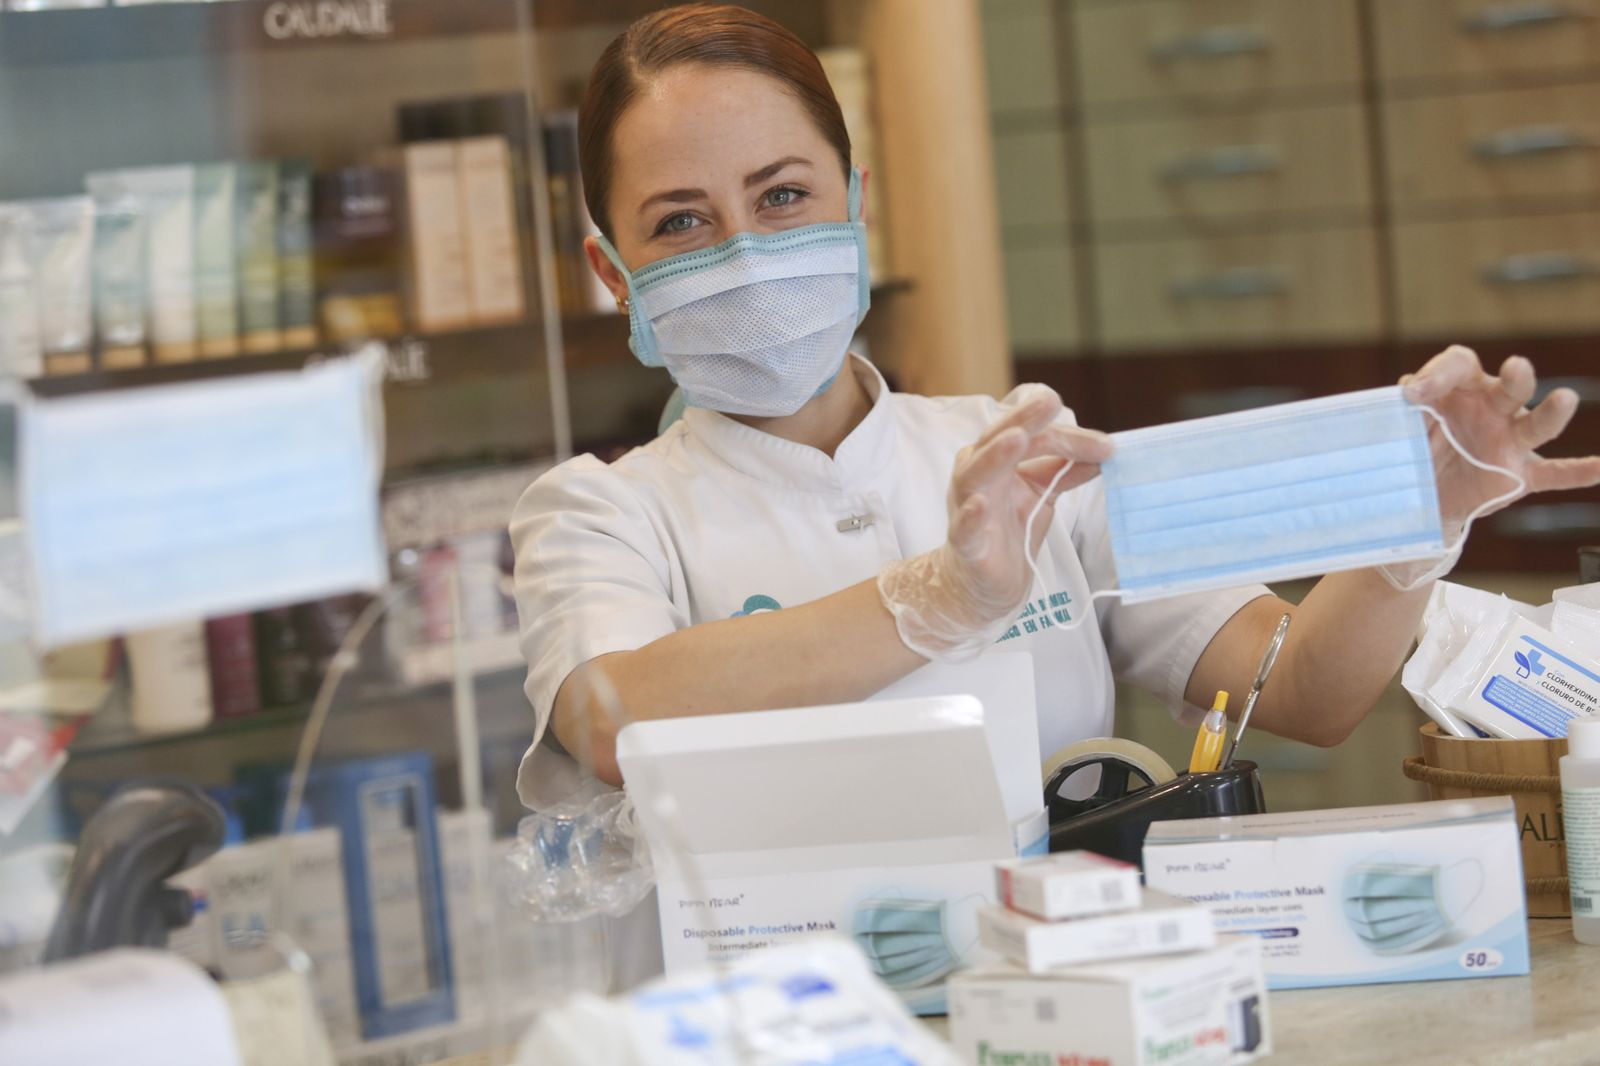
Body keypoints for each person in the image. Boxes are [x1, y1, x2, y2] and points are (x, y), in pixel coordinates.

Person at [510, 3, 1600, 810]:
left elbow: (1303, 688)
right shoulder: (598, 514)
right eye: (681, 223)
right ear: (615, 273)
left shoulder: (1020, 460)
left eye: (782, 195)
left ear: (855, 206)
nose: (746, 253)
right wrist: (937, 597)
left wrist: (1418, 521)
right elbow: (615, 718)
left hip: (1060, 988)